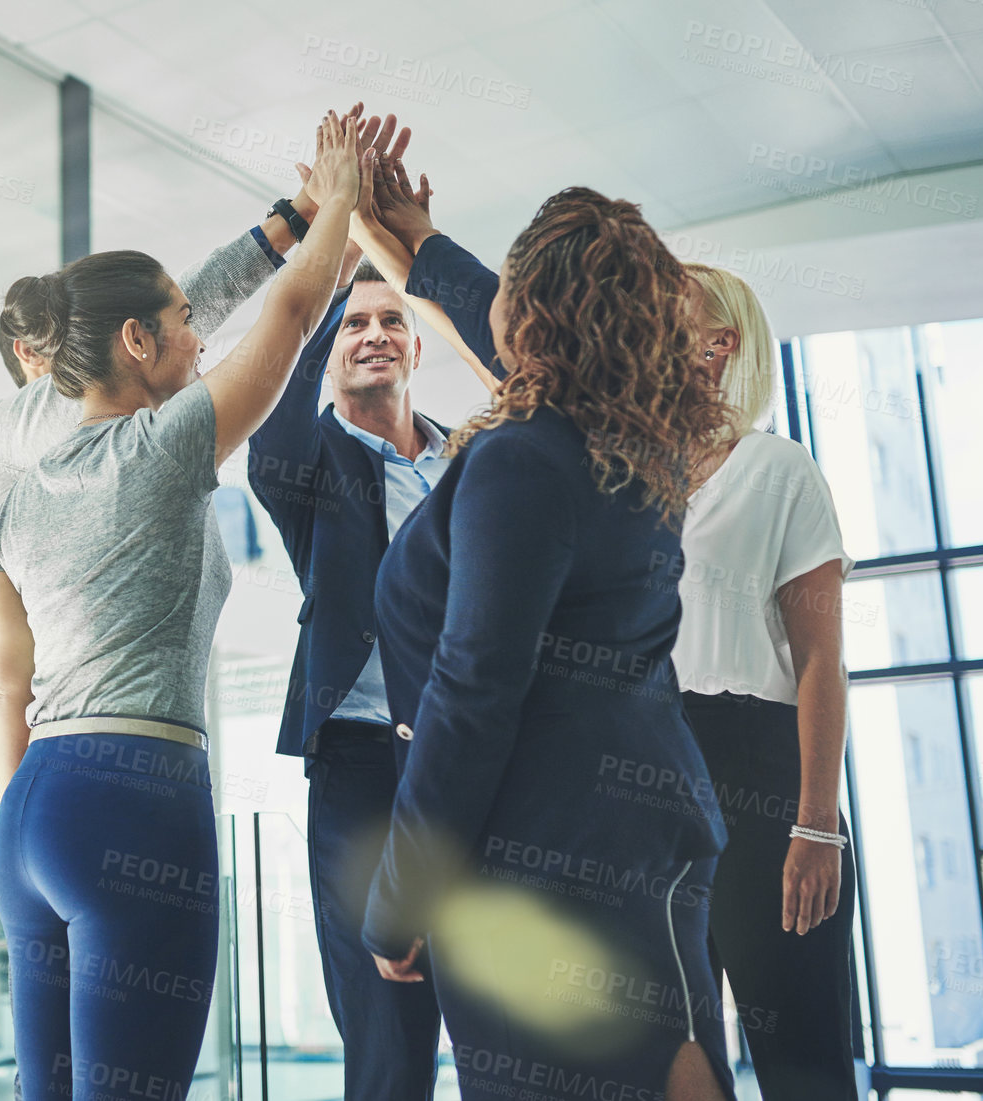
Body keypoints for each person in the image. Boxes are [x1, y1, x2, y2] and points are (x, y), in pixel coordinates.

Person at [0, 111, 363, 1100]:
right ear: (139, 340)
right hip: (134, 795)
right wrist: (346, 197)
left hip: (32, 806)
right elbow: (288, 319)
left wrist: (292, 217)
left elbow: (6, 685)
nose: (202, 336)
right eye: (183, 324)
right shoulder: (158, 452)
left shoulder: (12, 488)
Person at [356, 177, 739, 1100]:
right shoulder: (618, 444)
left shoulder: (525, 457)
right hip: (591, 841)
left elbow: (472, 688)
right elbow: (537, 339)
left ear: (527, 310)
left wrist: (402, 890)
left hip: (562, 855)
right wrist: (420, 247)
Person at [245, 112, 504, 1101]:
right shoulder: (308, 463)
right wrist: (342, 233)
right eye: (354, 323)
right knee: (387, 1040)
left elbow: (523, 374)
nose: (373, 332)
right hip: (358, 770)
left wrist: (415, 259)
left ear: (419, 346)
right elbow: (269, 411)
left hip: (474, 759)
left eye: (391, 319)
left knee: (494, 1015)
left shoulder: (478, 459)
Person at [672, 263, 859, 1100]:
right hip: (650, 769)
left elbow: (821, 656)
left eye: (659, 302)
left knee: (802, 1063)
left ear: (718, 343)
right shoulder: (619, 478)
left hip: (759, 774)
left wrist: (815, 823)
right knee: (671, 1049)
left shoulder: (778, 470)